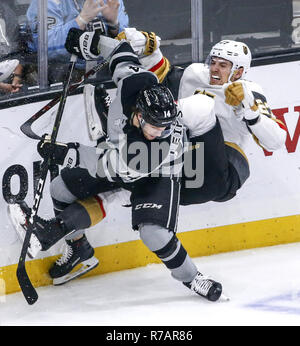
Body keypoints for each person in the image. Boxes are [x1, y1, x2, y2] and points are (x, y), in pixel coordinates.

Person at [9, 34, 223, 302]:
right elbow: (120, 51)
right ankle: (79, 250)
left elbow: (105, 165)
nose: (161, 132)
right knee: (60, 188)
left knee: (153, 233)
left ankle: (193, 278)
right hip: (118, 157)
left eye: (166, 127)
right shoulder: (133, 83)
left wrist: (64, 152)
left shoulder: (156, 147)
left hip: (160, 170)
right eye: (155, 126)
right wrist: (89, 41)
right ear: (139, 113)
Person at [26, 0, 129, 83]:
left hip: (107, 76)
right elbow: (45, 47)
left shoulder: (111, 1)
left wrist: (114, 25)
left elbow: (127, 44)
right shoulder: (46, 3)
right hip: (63, 79)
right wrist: (82, 19)